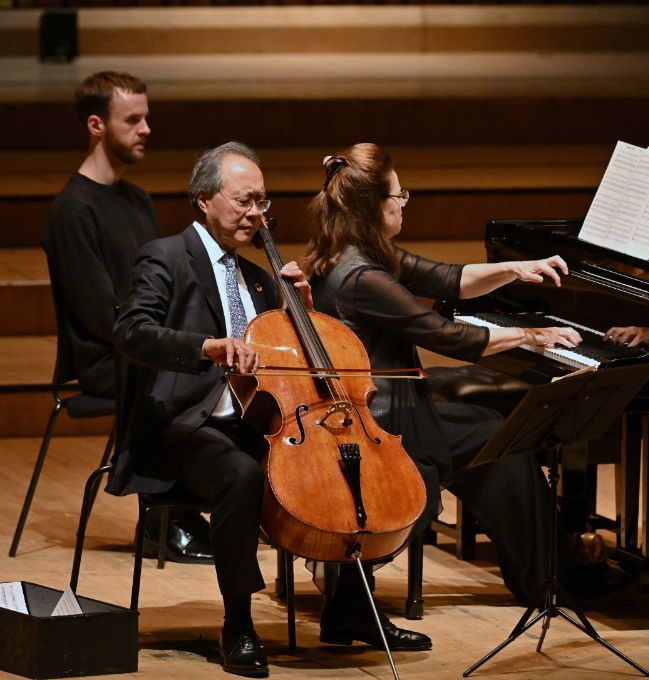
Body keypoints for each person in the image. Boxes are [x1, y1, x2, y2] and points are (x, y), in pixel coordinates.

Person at [108, 142, 429, 678]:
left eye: (262, 200)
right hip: (181, 427)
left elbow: (291, 366)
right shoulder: (163, 257)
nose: (257, 213)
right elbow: (131, 332)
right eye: (243, 201)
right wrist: (205, 347)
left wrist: (300, 308)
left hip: (257, 422)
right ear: (203, 199)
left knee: (345, 462)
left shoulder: (262, 278)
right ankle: (238, 622)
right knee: (238, 474)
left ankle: (350, 608)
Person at [304, 143, 583, 605]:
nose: (403, 202)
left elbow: (448, 278)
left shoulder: (356, 252)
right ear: (376, 205)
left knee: (490, 431)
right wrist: (530, 337)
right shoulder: (364, 278)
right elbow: (446, 336)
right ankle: (546, 579)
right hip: (382, 424)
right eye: (400, 195)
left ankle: (545, 573)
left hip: (376, 411)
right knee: (498, 441)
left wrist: (516, 268)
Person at [41, 70, 212, 564]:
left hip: (140, 343)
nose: (146, 129)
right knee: (176, 374)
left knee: (214, 368)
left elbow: (167, 284)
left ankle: (199, 505)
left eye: (146, 118)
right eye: (132, 120)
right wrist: (173, 343)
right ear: (96, 125)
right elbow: (100, 316)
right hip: (104, 358)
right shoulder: (72, 212)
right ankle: (163, 520)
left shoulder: (135, 198)